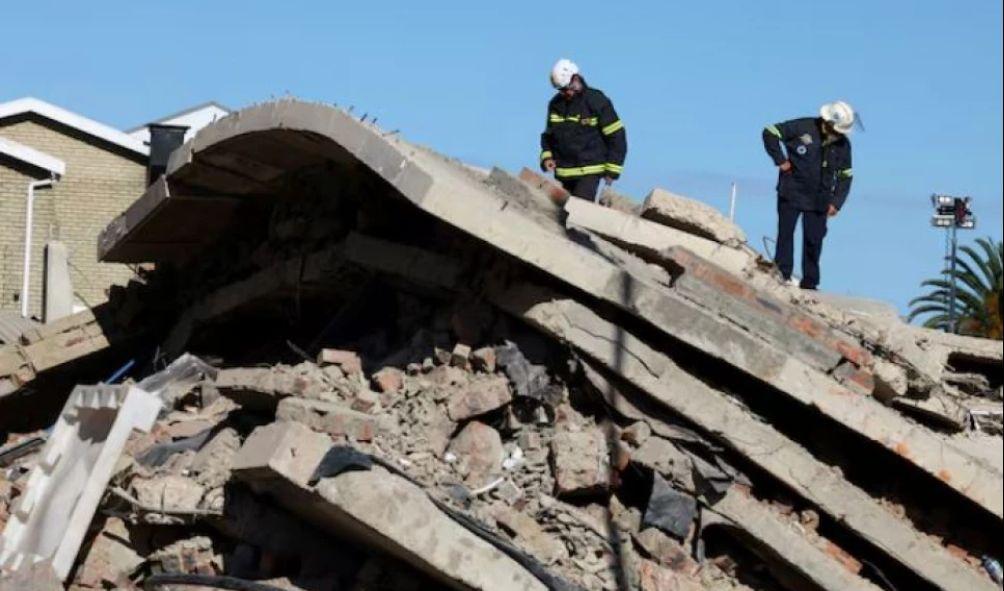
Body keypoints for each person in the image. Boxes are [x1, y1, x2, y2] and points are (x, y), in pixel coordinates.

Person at [762, 101, 856, 290]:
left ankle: (810, 283)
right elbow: (770, 132)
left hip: (820, 199)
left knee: (814, 240)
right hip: (792, 191)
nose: (837, 134)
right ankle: (782, 274)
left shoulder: (843, 145)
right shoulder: (803, 126)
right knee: (786, 234)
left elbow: (846, 175)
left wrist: (837, 202)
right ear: (827, 122)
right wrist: (780, 160)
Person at [540, 59, 627, 201]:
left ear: (576, 78)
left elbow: (617, 136)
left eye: (567, 88)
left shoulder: (596, 101)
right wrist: (547, 157)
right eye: (561, 90)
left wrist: (612, 170)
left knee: (577, 214)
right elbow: (548, 137)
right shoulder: (555, 105)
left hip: (589, 172)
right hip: (563, 173)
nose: (565, 93)